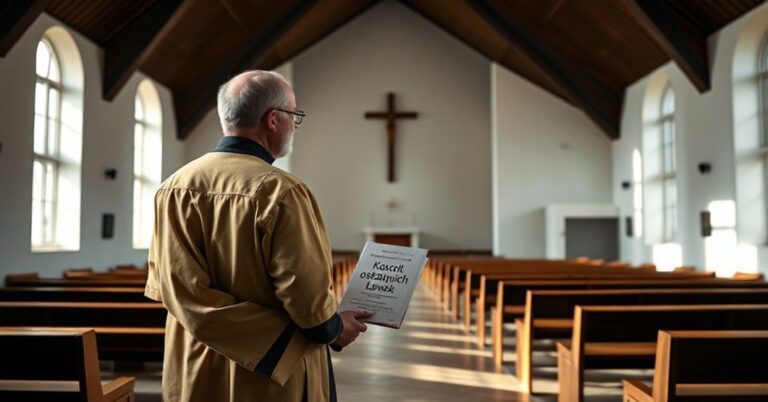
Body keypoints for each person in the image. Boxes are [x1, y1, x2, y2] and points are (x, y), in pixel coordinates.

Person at [144, 70, 371, 402]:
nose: (296, 125)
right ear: (274, 120)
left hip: (197, 363)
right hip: (272, 376)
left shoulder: (173, 187)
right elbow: (306, 299)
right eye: (296, 116)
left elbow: (170, 285)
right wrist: (333, 328)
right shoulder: (282, 191)